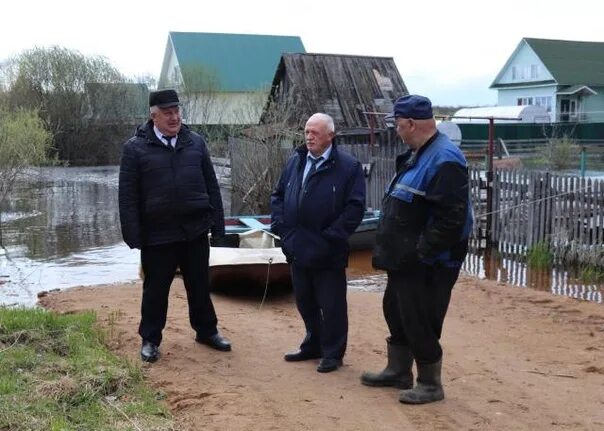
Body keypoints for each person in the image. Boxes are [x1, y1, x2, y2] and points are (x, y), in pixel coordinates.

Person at [361, 95, 473, 403]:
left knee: (420, 318)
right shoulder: (419, 153)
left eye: (397, 124)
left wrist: (421, 253)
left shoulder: (445, 159)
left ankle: (430, 384)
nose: (395, 130)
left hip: (429, 263)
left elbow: (451, 220)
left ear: (411, 124)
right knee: (396, 312)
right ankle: (398, 371)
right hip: (405, 259)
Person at [119, 89, 231, 363]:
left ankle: (206, 331)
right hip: (157, 234)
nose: (174, 117)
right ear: (154, 116)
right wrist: (133, 235)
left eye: (177, 111)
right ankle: (150, 339)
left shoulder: (195, 142)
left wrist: (218, 227)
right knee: (156, 289)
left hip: (194, 229)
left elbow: (212, 186)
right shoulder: (135, 148)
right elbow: (127, 196)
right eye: (167, 113)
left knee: (199, 285)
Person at [271, 113, 365, 373]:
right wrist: (282, 229)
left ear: (330, 136)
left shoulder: (348, 167)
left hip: (328, 250)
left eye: (315, 132)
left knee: (332, 305)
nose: (309, 136)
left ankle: (333, 353)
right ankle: (313, 343)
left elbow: (355, 209)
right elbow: (278, 195)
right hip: (297, 246)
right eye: (306, 131)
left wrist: (331, 237)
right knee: (305, 301)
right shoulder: (296, 161)